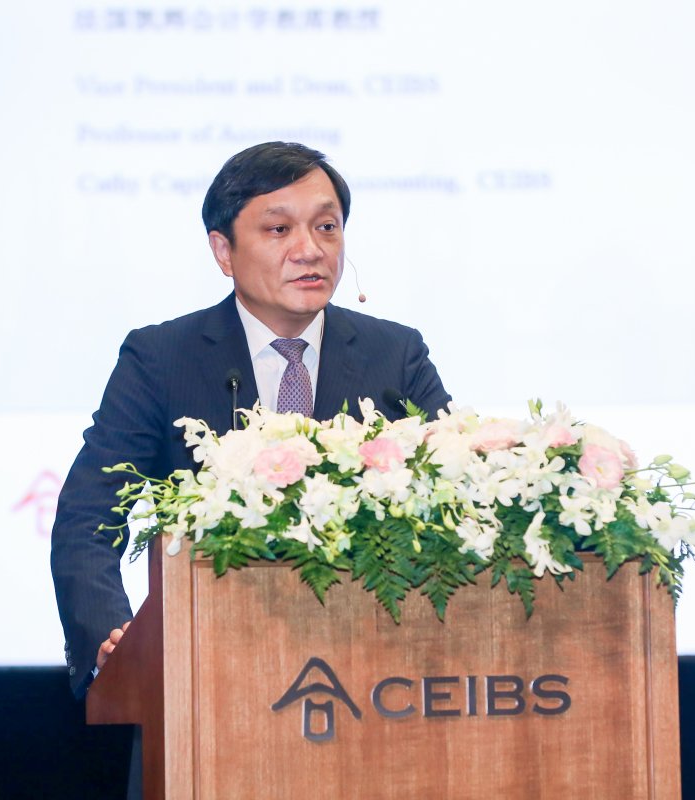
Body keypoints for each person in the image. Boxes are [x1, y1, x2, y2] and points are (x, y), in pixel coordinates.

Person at [50, 141, 452, 699]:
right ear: (223, 250)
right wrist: (114, 641)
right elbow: (88, 520)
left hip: (375, 679)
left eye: (327, 227)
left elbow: (456, 500)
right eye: (279, 229)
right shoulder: (162, 358)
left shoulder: (396, 356)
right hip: (207, 682)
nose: (310, 250)